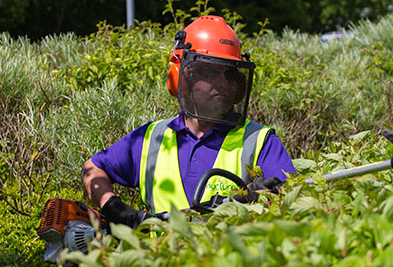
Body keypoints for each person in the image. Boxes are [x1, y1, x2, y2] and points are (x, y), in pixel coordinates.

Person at [82, 15, 297, 228]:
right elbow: (93, 169)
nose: (223, 83)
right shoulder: (151, 138)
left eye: (230, 74)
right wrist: (113, 207)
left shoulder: (259, 141)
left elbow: (293, 204)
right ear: (183, 76)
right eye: (212, 71)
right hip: (157, 259)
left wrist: (266, 198)